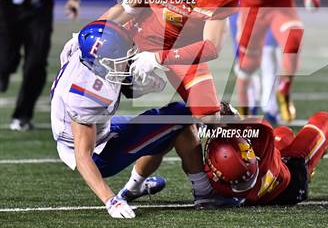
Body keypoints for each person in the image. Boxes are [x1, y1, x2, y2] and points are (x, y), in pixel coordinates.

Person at [51, 20, 240, 219]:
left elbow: (115, 76)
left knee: (162, 129)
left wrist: (137, 86)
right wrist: (110, 201)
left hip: (97, 131)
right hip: (98, 155)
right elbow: (83, 156)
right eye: (123, 59)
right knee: (180, 114)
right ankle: (205, 193)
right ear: (104, 63)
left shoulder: (83, 54)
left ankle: (134, 188)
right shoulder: (86, 95)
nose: (128, 61)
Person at [99, 0, 240, 124]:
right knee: (94, 72)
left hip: (182, 49)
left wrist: (158, 58)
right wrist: (89, 33)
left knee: (209, 116)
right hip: (140, 35)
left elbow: (212, 47)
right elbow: (127, 10)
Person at [205, 112, 328, 205]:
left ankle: (313, 158)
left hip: (267, 189)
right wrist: (224, 114)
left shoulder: (218, 183)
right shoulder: (263, 139)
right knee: (327, 121)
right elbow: (252, 121)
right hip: (292, 178)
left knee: (284, 133)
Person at [0, 0, 83, 131]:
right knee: (4, 60)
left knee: (36, 64)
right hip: (6, 6)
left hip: (39, 9)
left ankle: (22, 115)